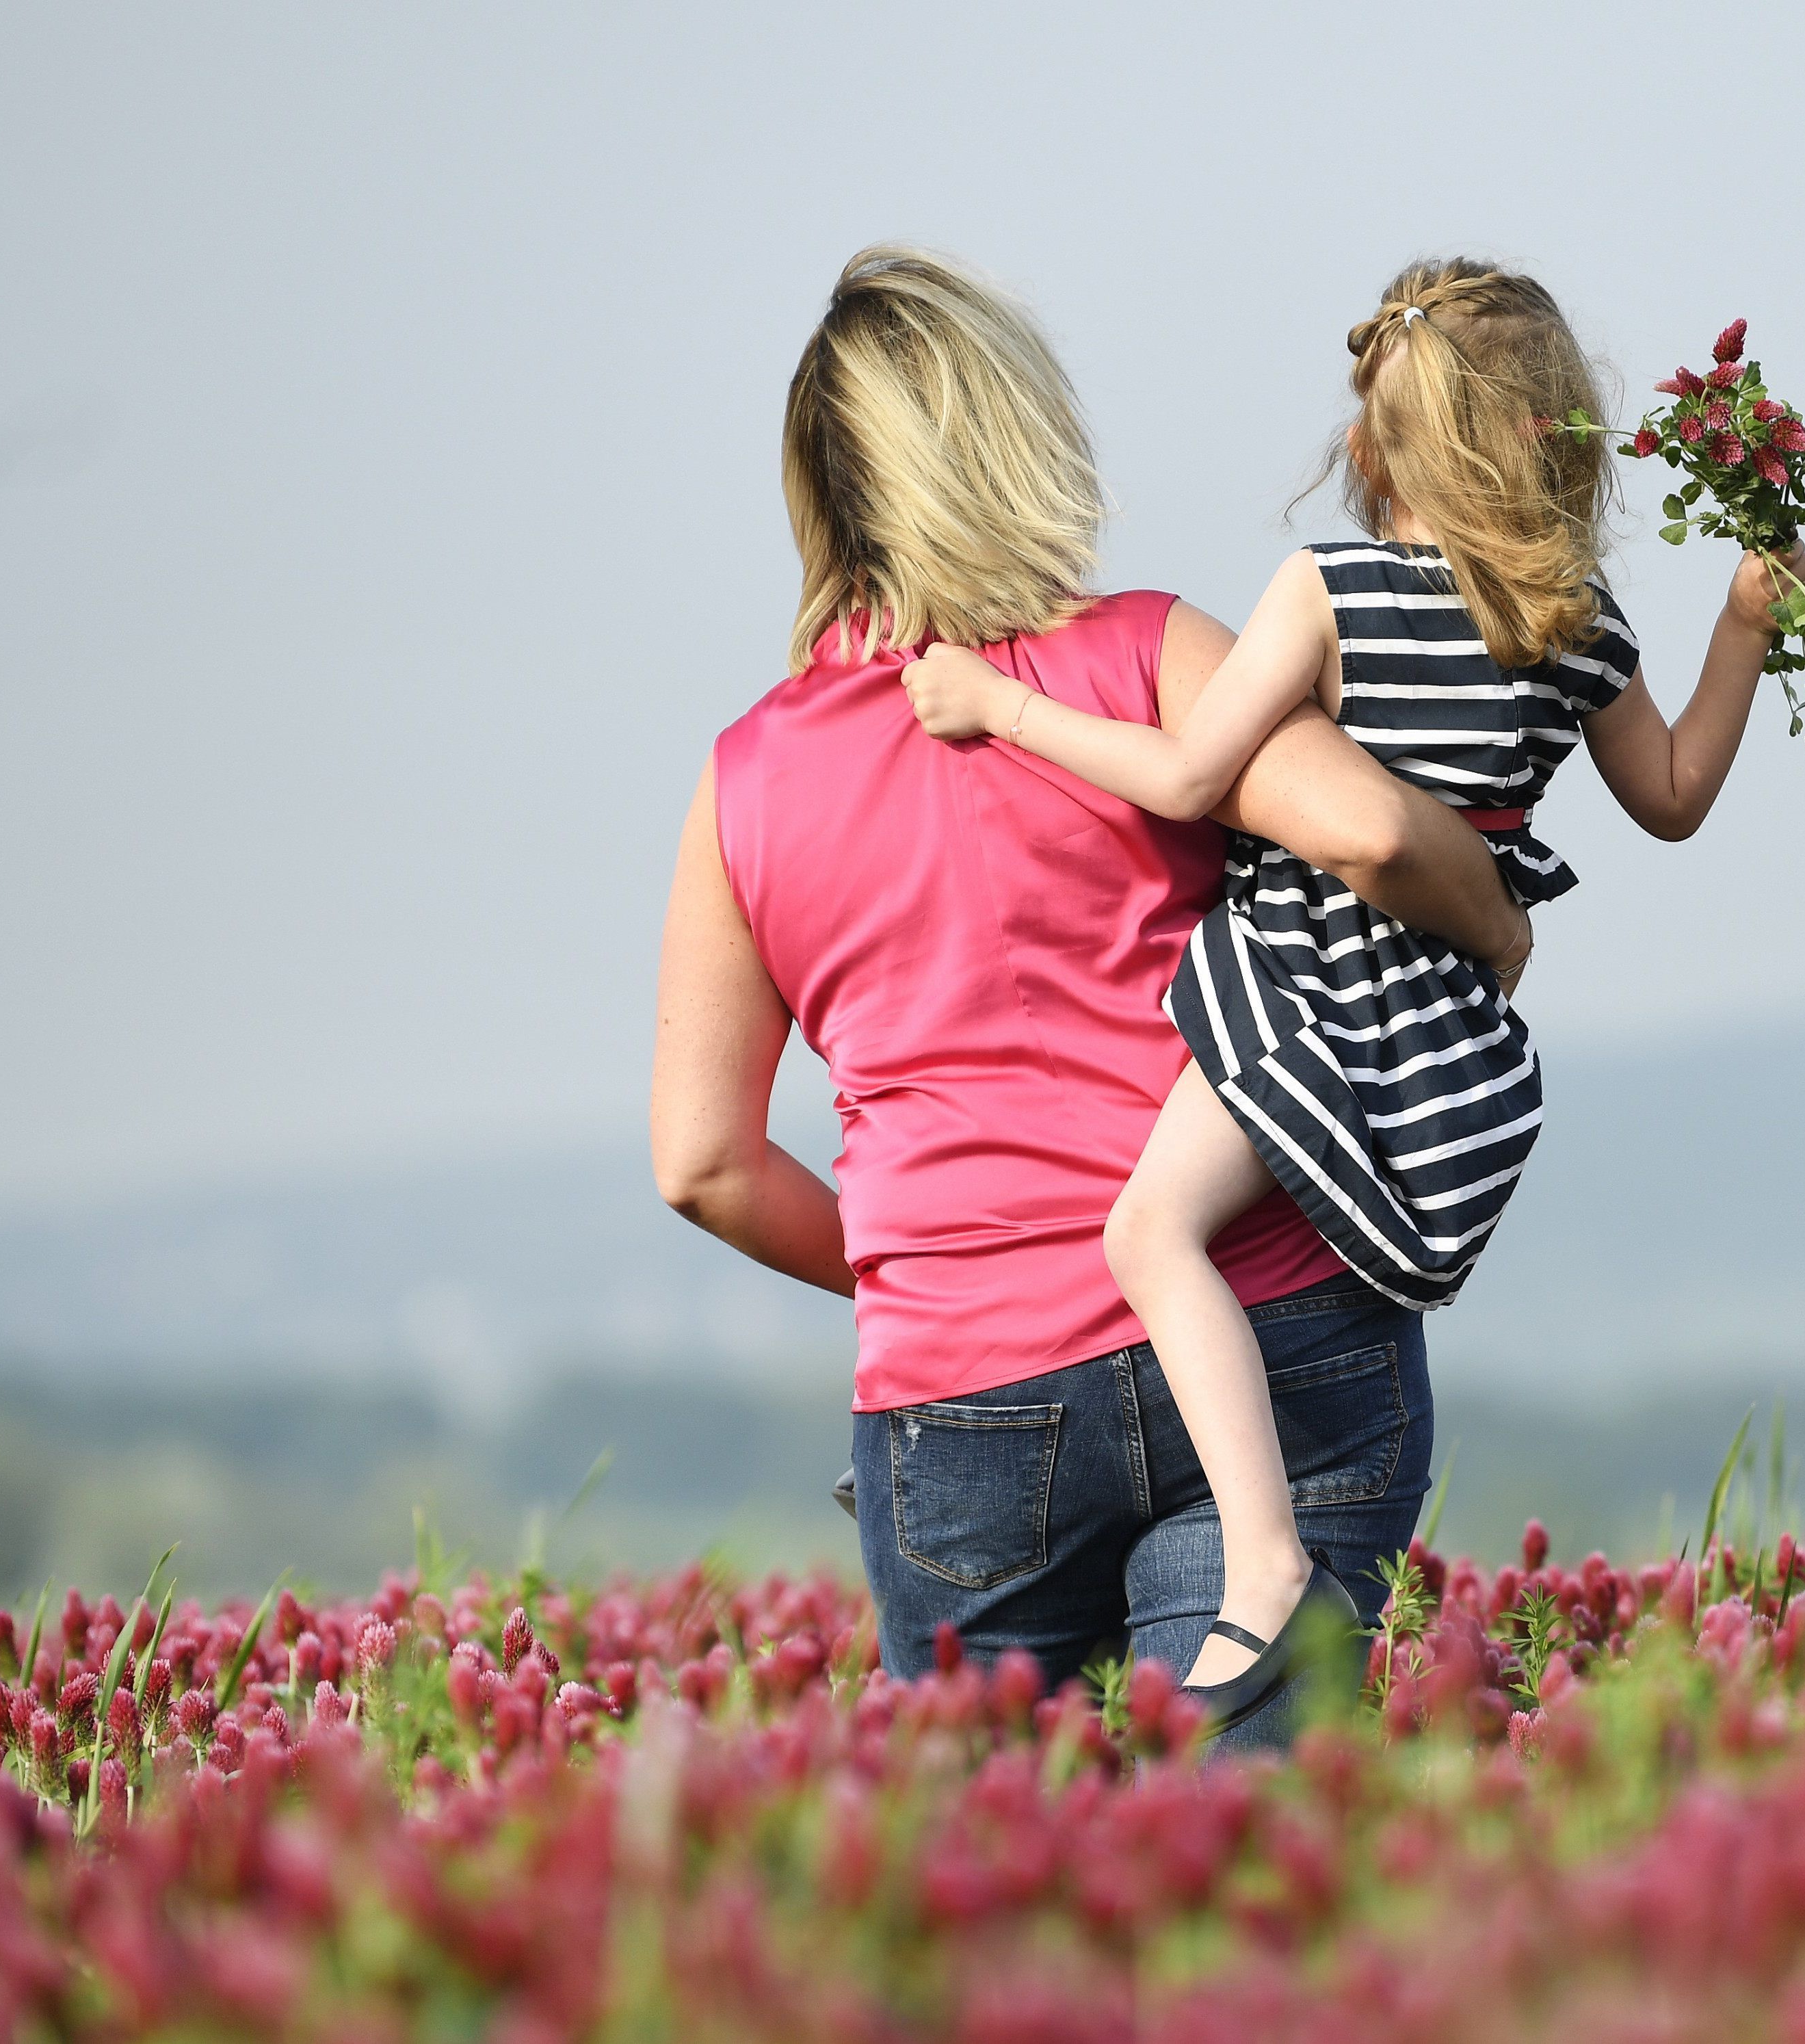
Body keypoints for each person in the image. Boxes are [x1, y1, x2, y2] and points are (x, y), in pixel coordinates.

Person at [900, 258, 1805, 1724]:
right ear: (1551, 437)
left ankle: (1256, 1558)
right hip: (1444, 1034)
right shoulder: (1573, 627)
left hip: (1307, 987)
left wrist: (1003, 706)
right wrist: (1743, 630)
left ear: (1374, 445)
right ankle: (1272, 1538)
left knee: (1150, 1233)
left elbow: (1198, 780)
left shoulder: (1327, 592)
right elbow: (1674, 797)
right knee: (1282, 1263)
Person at [649, 246, 1529, 1746]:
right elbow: (1375, 834)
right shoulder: (1143, 656)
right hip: (1269, 1328)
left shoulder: (746, 780)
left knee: (1011, 1906)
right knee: (1244, 1870)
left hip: (964, 1394)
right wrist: (1496, 927)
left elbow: (705, 1165)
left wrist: (938, 1274)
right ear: (1017, 432)